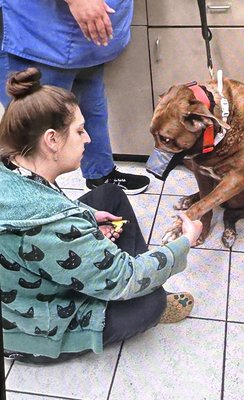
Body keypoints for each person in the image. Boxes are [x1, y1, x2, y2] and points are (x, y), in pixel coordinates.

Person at [0, 68, 203, 364]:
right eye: (80, 131)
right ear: (52, 140)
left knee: (110, 195)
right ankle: (136, 289)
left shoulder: (11, 164)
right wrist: (184, 242)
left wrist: (88, 217)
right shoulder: (53, 225)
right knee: (149, 304)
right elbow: (123, 275)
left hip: (27, 285)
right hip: (31, 329)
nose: (89, 139)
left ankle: (110, 272)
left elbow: (48, 205)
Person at [0, 0, 150, 194]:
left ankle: (100, 174)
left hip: (89, 40)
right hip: (44, 34)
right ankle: (34, 196)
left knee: (91, 109)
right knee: (35, 126)